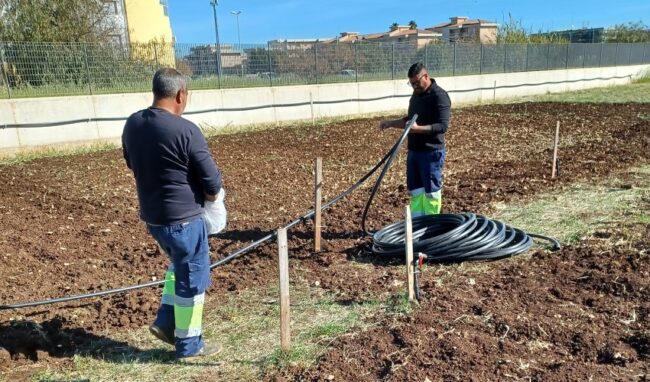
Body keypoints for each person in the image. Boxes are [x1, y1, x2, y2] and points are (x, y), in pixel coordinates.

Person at [122, 68, 223, 361]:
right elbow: (212, 183)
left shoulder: (133, 124)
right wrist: (212, 201)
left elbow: (131, 162)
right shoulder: (186, 130)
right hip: (185, 220)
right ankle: (190, 346)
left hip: (154, 218)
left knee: (178, 265)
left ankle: (167, 323)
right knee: (192, 277)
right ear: (181, 95)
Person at [379, 62, 451, 217]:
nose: (414, 86)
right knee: (416, 190)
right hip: (414, 152)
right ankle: (417, 223)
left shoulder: (439, 96)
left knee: (431, 192)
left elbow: (442, 126)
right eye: (411, 84)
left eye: (417, 83)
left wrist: (418, 129)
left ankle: (431, 225)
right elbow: (409, 120)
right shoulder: (416, 95)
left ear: (426, 76)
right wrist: (391, 123)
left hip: (431, 152)